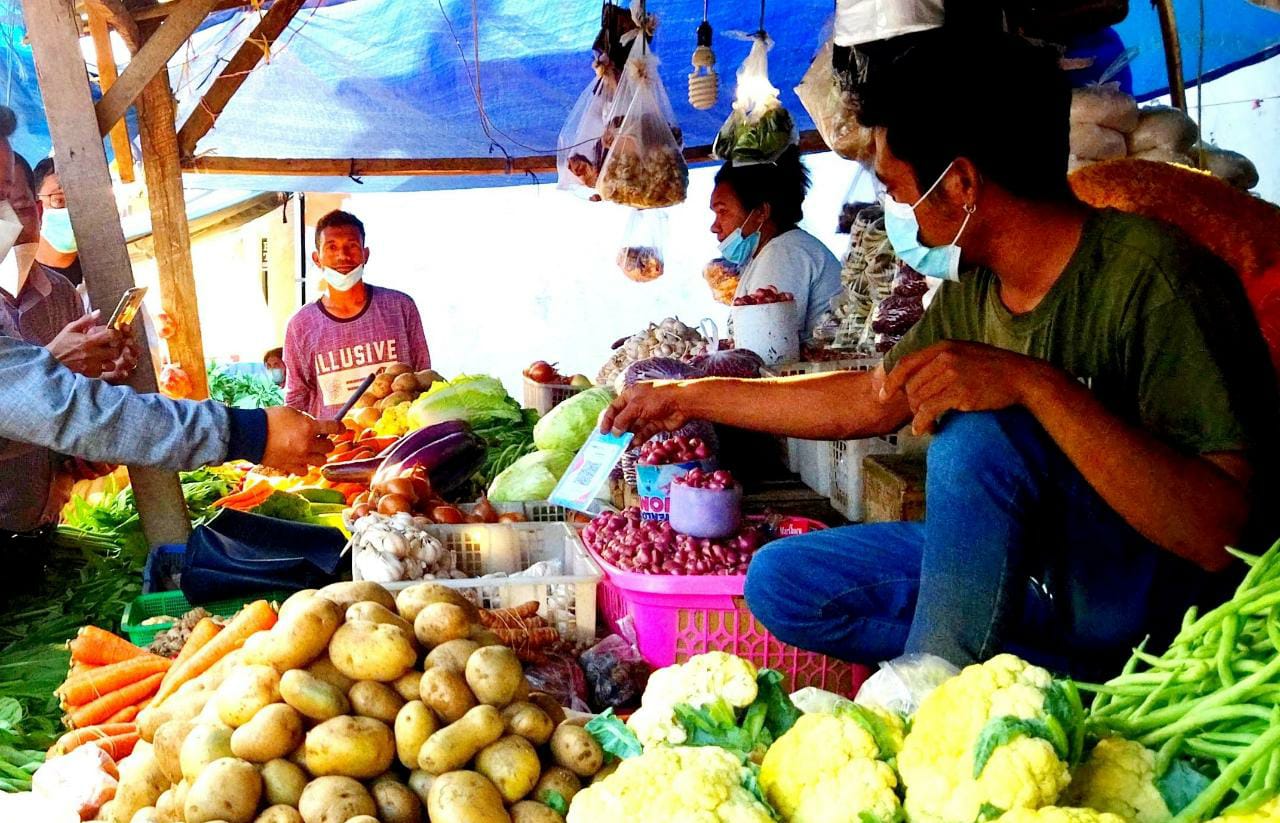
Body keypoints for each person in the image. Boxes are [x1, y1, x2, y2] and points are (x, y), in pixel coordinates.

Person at [601, 31, 1279, 677]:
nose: (896, 209)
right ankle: (1033, 669)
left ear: (959, 185)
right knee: (783, 582)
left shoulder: (1156, 279)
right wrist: (684, 397)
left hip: (1129, 593)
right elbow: (871, 398)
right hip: (1019, 559)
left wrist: (1036, 386)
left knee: (976, 440)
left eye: (897, 188)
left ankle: (935, 681)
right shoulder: (977, 285)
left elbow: (1219, 532)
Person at [0, 150, 139, 533]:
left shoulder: (62, 296)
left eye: (21, 207)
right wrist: (52, 365)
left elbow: (72, 403)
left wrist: (106, 379)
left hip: (43, 523)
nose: (9, 224)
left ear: (40, 214)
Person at [283, 210, 431, 418]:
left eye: (352, 246)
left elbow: (424, 377)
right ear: (317, 259)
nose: (343, 255)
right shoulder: (301, 324)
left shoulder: (400, 307)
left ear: (365, 254)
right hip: (337, 447)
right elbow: (296, 400)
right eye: (332, 247)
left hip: (399, 441)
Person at [712, 145, 841, 341]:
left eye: (723, 211)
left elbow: (767, 342)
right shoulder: (775, 250)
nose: (715, 226)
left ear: (761, 212)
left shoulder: (783, 252)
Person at [32, 157, 82, 288]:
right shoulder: (22, 278)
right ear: (36, 206)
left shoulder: (101, 261)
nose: (71, 210)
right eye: (59, 200)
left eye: (79, 201)